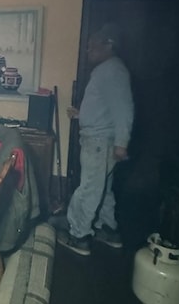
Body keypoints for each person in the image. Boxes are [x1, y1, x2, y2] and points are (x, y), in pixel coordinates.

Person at [52, 23, 133, 256]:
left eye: (92, 47)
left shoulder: (112, 71)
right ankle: (108, 229)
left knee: (88, 189)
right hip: (99, 139)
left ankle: (78, 235)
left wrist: (121, 143)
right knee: (103, 189)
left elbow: (124, 109)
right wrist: (82, 114)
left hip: (99, 143)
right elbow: (106, 108)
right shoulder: (108, 70)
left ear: (108, 45)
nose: (88, 52)